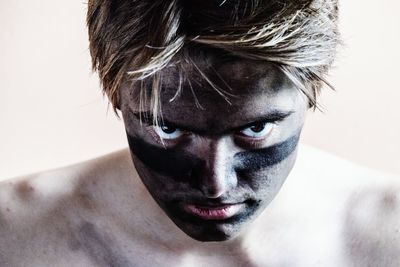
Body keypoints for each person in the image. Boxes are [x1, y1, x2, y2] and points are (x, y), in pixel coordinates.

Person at [1, 0, 399, 266]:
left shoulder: (386, 235)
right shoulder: (14, 236)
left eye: (255, 128)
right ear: (115, 92)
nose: (215, 183)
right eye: (168, 128)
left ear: (310, 91)